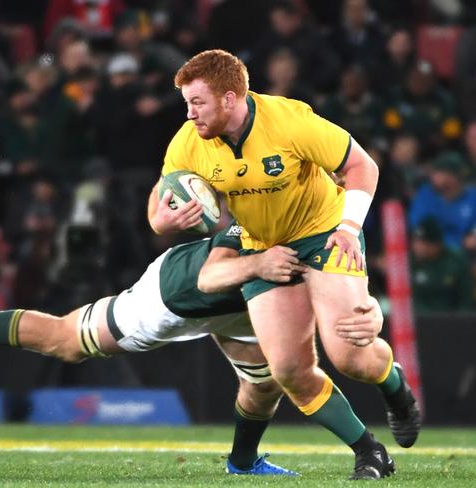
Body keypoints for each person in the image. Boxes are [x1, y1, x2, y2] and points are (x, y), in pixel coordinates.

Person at [0, 223, 384, 477]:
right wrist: (259, 267)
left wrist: (371, 312)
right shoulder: (261, 216)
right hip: (182, 297)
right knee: (66, 341)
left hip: (242, 305)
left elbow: (346, 299)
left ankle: (243, 462)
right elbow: (214, 272)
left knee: (266, 382)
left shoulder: (325, 225)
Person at [148, 49, 421, 480]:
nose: (190, 114)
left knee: (350, 355)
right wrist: (161, 219)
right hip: (263, 245)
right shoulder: (189, 140)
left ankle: (394, 385)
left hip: (325, 231)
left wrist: (349, 228)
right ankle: (370, 452)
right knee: (289, 370)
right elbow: (160, 199)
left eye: (197, 102)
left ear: (230, 98)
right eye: (186, 103)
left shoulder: (289, 120)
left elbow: (361, 166)